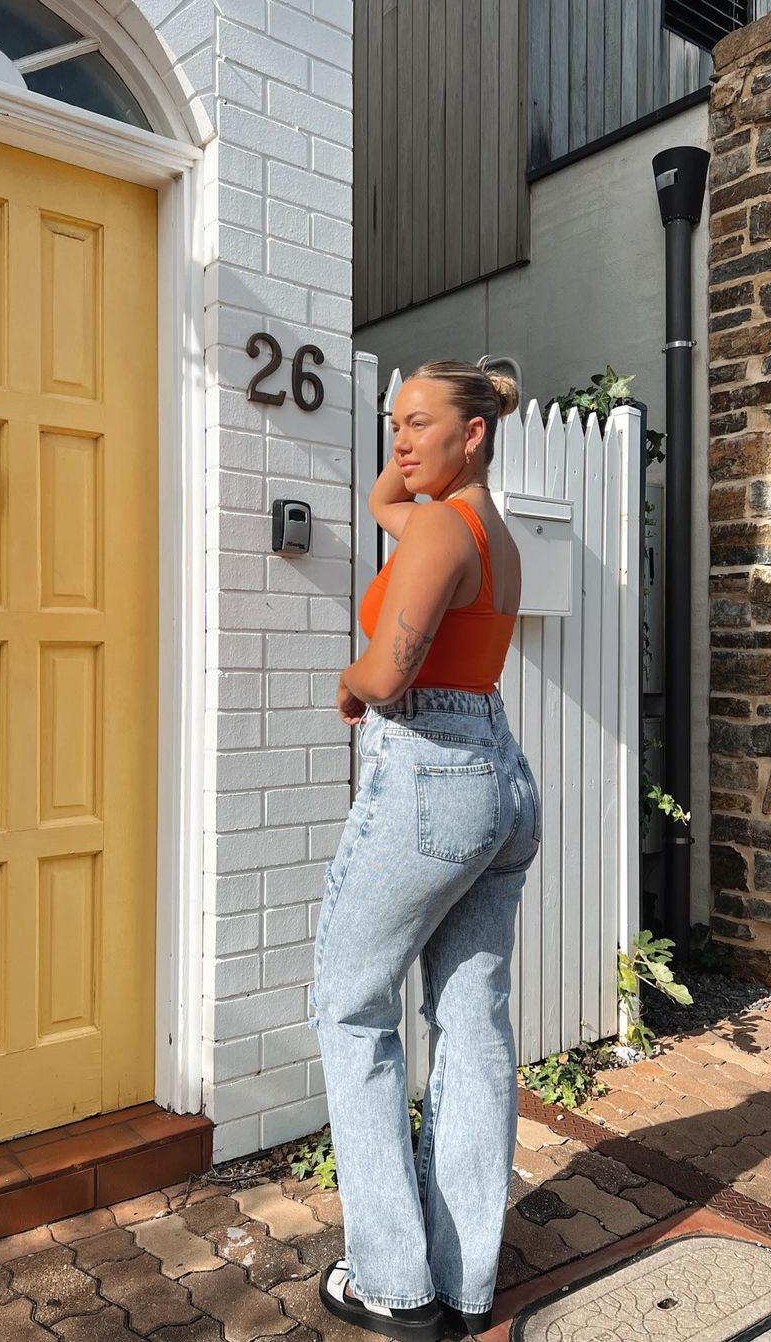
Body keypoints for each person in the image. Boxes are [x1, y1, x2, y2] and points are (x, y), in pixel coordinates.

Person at [308, 360, 543, 1341]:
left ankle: (394, 1283)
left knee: (351, 1008)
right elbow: (385, 503)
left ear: (473, 434)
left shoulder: (444, 529)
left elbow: (392, 673)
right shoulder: (488, 533)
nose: (399, 443)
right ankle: (463, 1279)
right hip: (500, 774)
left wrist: (349, 678)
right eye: (394, 423)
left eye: (419, 424)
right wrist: (426, 439)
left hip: (430, 775)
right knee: (472, 1026)